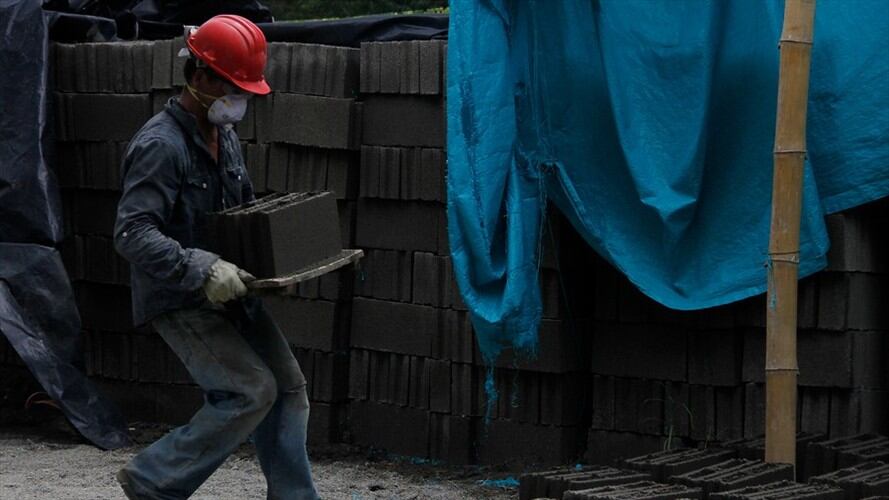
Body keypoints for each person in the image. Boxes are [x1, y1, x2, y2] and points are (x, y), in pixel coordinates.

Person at [113, 14, 319, 500]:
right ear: (200, 75)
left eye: (245, 89)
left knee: (287, 388)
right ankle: (152, 480)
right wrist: (201, 267)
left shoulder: (223, 134)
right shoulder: (160, 146)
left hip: (231, 292)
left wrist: (273, 267)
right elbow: (132, 233)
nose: (239, 100)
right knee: (250, 391)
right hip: (180, 296)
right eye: (232, 86)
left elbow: (240, 213)